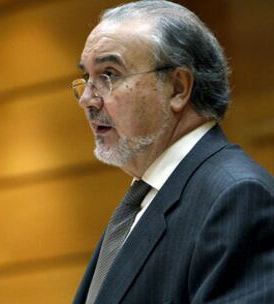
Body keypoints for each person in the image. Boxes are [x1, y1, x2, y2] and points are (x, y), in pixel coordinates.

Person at [71, 1, 274, 303]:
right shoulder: (145, 199)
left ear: (178, 88)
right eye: (87, 78)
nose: (87, 99)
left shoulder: (236, 197)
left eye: (109, 75)